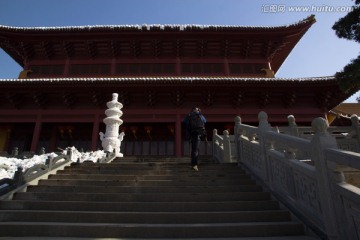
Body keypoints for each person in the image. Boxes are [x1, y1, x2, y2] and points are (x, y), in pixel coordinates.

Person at [183, 107, 206, 171]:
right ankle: (194, 165)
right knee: (195, 150)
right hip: (198, 134)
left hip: (192, 134)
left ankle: (193, 164)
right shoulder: (200, 115)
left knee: (193, 150)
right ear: (198, 110)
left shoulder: (189, 115)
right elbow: (205, 121)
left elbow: (185, 122)